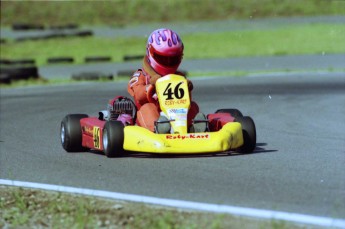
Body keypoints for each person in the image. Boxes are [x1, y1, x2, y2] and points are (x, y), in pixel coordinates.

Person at [127, 28, 206, 133]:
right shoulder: (141, 75)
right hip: (149, 118)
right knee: (148, 108)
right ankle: (159, 129)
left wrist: (187, 87)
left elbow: (186, 101)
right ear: (150, 52)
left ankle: (193, 128)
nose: (168, 62)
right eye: (163, 58)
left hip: (176, 114)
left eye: (172, 59)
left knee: (193, 106)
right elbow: (138, 94)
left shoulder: (178, 76)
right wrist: (151, 86)